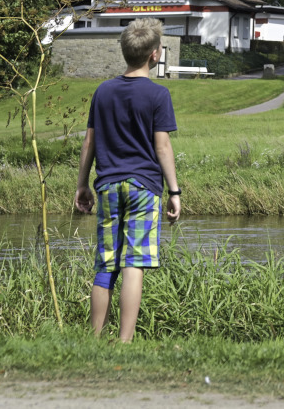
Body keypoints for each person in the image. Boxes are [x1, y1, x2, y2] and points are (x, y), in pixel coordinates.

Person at [74, 17, 181, 343]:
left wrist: (82, 184)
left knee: (106, 264)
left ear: (125, 52)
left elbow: (89, 142)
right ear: (155, 54)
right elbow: (162, 146)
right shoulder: (158, 94)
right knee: (134, 263)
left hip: (107, 186)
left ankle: (95, 339)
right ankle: (124, 341)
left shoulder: (103, 91)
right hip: (144, 188)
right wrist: (174, 191)